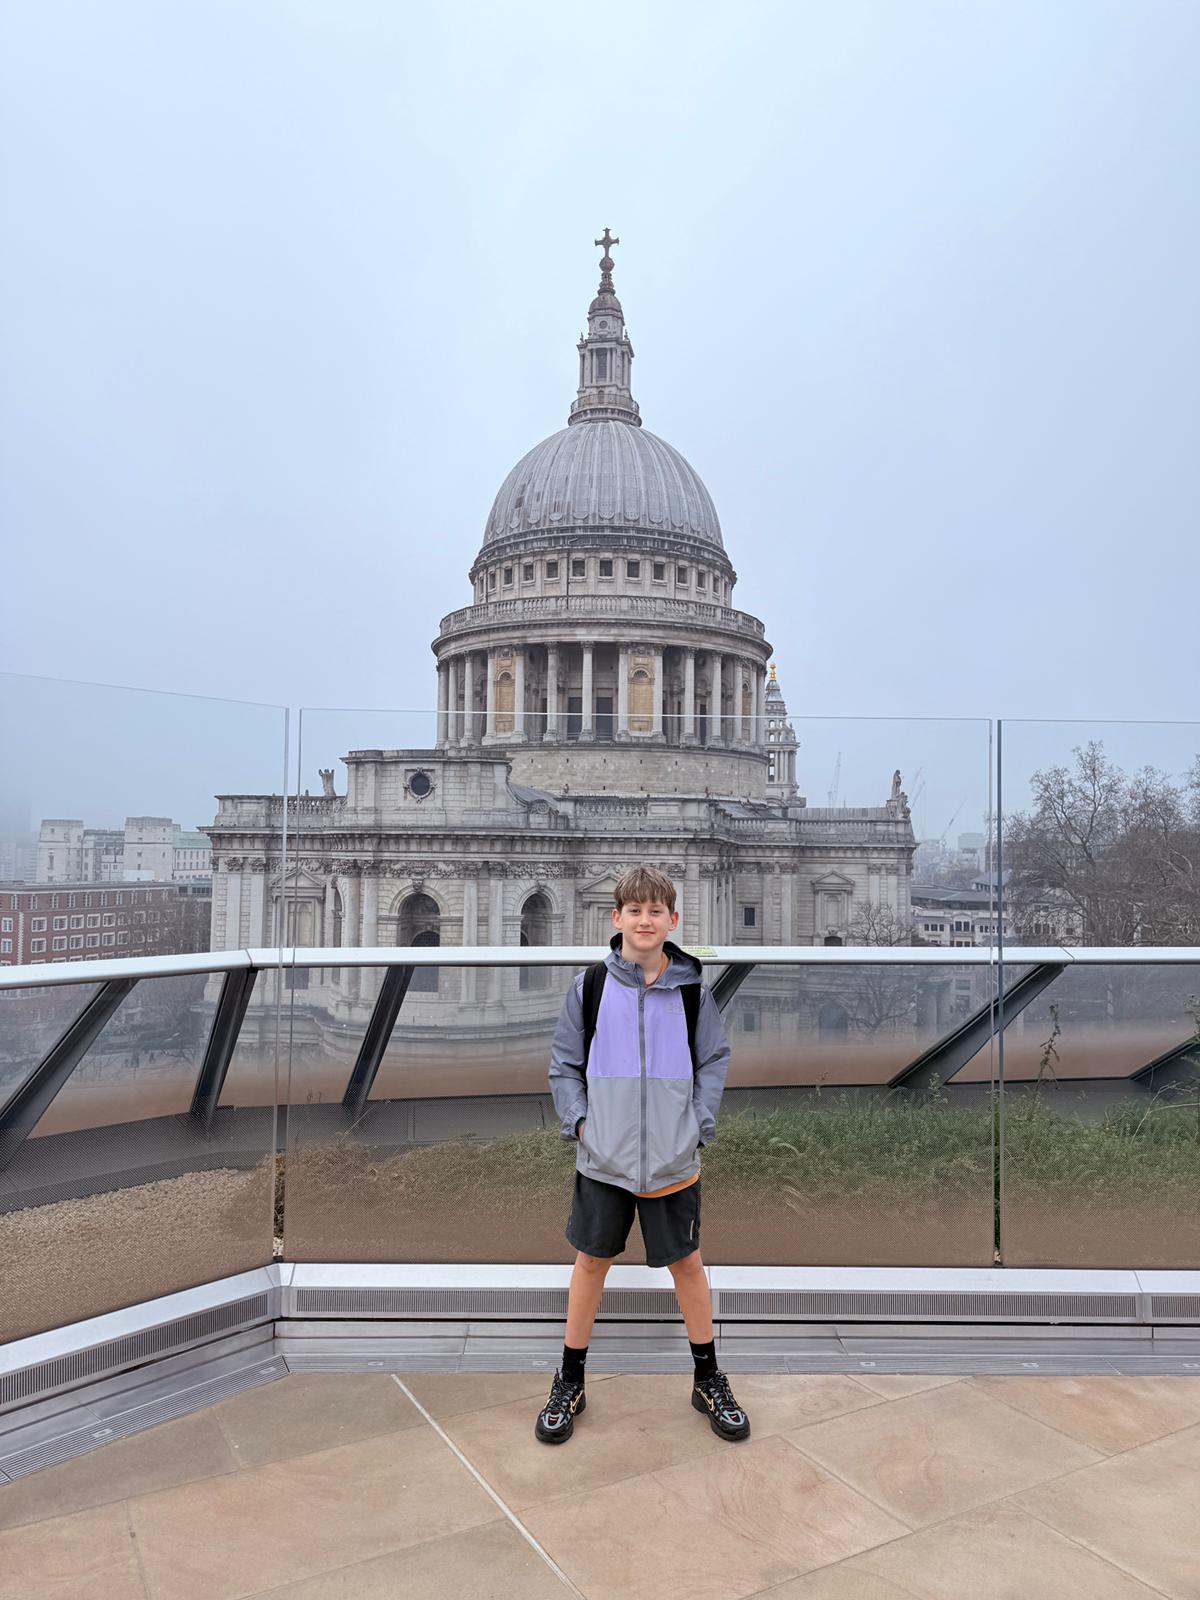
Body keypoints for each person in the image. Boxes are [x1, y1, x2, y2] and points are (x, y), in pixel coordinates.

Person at [534, 864, 750, 1445]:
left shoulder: (692, 992)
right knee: (590, 1264)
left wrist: (697, 1124)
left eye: (656, 911)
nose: (645, 920)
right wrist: (582, 1125)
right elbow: (564, 1064)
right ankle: (569, 1381)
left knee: (688, 1266)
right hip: (603, 1158)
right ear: (617, 918)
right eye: (635, 910)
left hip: (673, 1158)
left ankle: (708, 1379)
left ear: (673, 920)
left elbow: (713, 1059)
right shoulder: (589, 987)